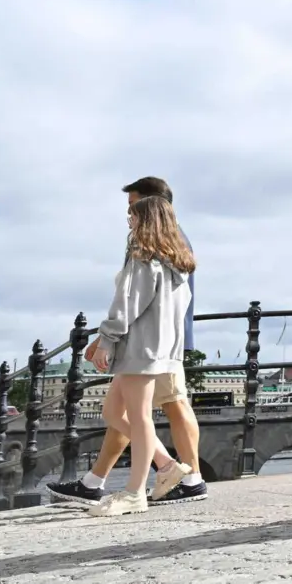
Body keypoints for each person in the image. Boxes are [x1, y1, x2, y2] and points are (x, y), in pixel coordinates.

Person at [47, 177, 208, 507]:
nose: (128, 219)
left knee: (140, 416)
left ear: (147, 215)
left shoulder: (144, 257)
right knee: (114, 412)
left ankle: (136, 492)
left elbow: (128, 302)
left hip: (140, 349)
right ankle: (167, 466)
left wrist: (106, 339)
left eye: (132, 214)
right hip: (162, 349)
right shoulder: (178, 260)